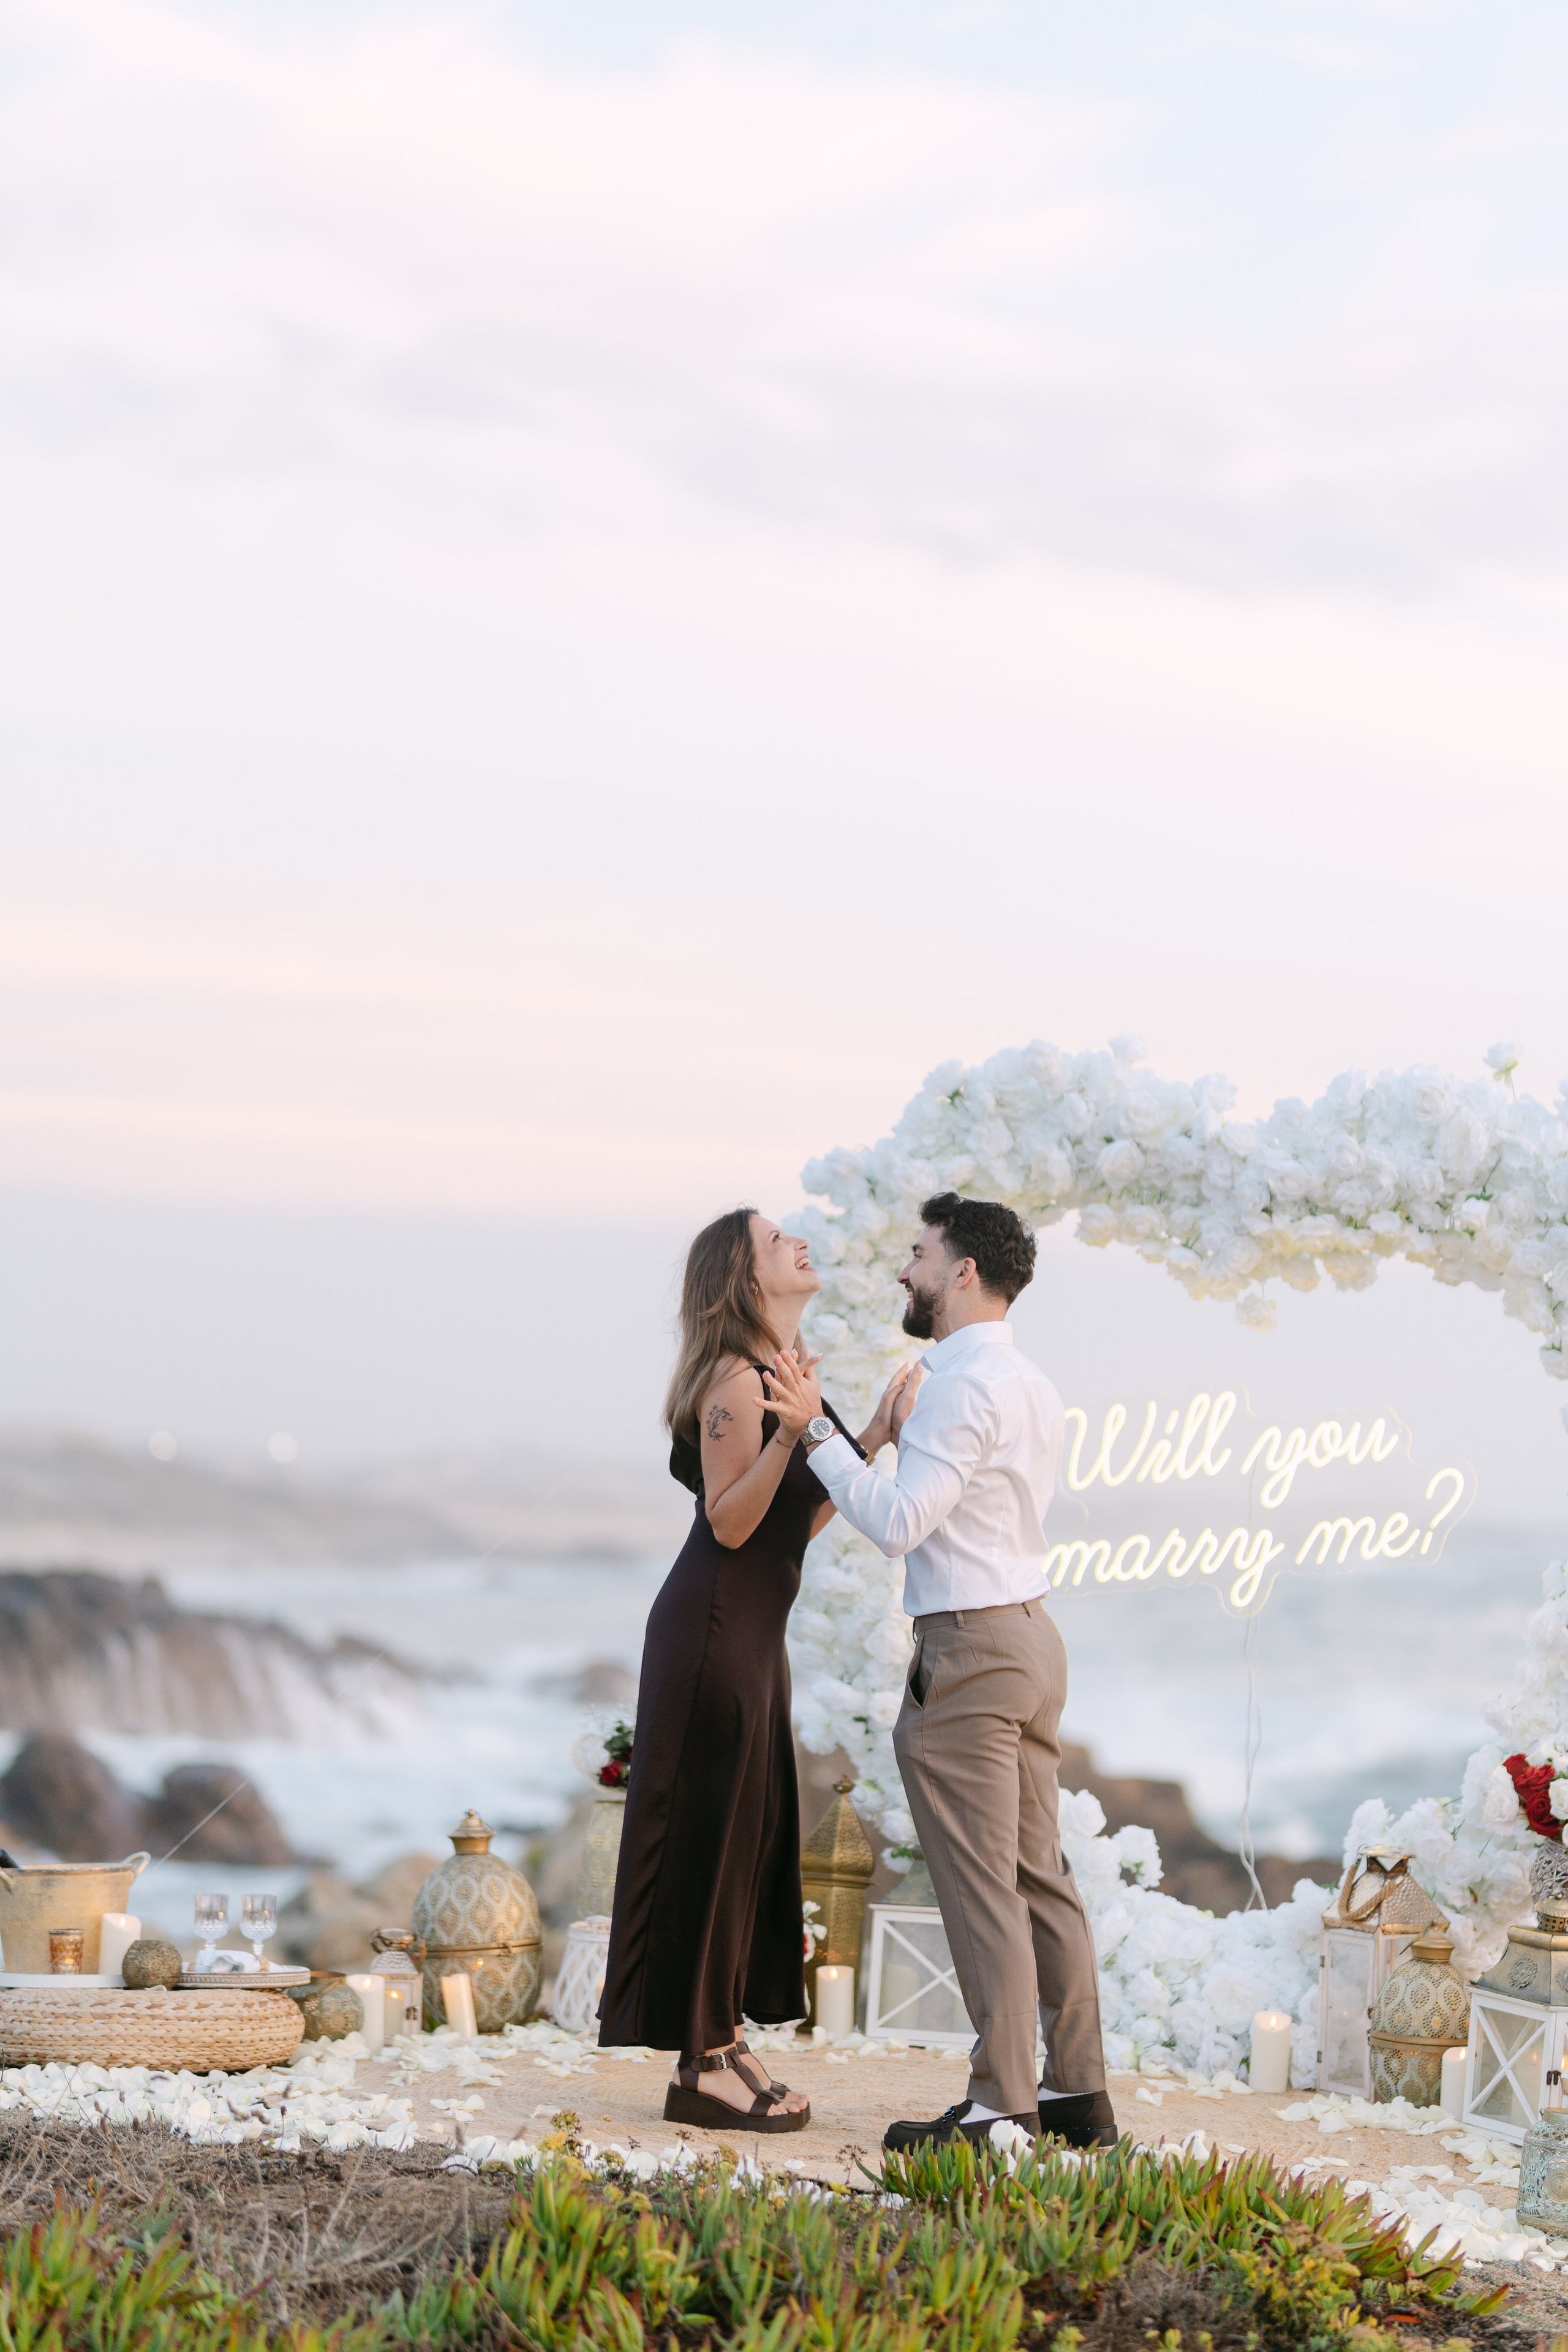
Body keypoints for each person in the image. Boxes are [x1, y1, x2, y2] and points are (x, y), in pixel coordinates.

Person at [782, 1191, 1117, 2154]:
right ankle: (1076, 2099)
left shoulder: (958, 1384)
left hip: (969, 1653)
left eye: (919, 1253)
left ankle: (1000, 2108)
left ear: (962, 1271)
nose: (905, 1270)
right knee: (1038, 1877)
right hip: (1030, 1638)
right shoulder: (1030, 1383)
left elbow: (897, 1523)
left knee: (983, 1888)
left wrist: (818, 1433)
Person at [597, 1206, 911, 2132]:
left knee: (745, 1842)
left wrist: (872, 1437)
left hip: (751, 1634)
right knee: (710, 1838)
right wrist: (790, 1431)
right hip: (713, 1632)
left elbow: (795, 1522)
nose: (800, 1241)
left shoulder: (779, 1374)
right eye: (779, 1241)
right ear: (745, 1277)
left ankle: (724, 2041)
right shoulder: (736, 1380)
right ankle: (701, 2068)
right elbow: (732, 1524)